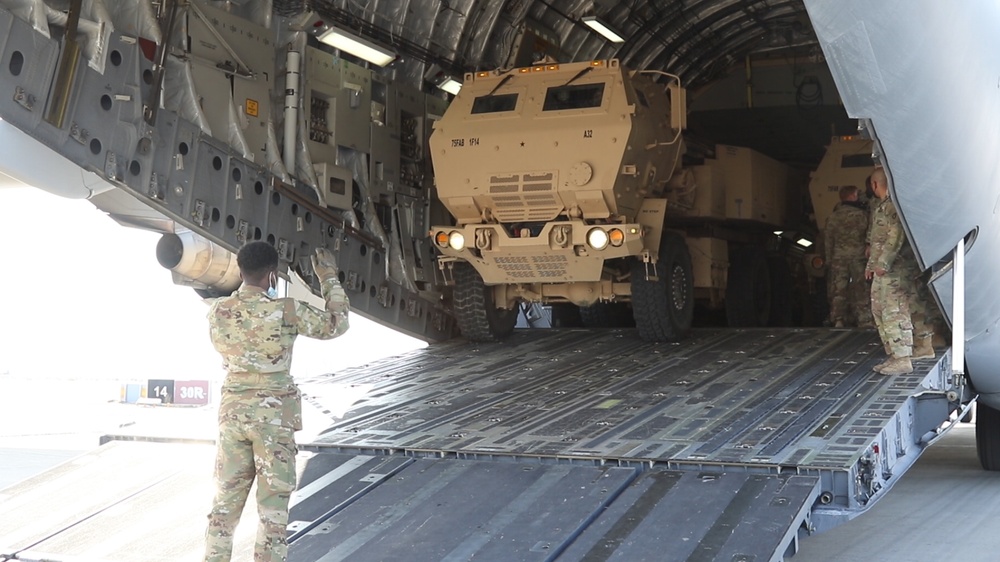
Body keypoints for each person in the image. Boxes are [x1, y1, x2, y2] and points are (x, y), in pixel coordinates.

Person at [203, 242, 350, 562]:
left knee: (224, 508)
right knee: (272, 514)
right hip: (273, 421)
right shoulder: (286, 310)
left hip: (234, 417)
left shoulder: (218, 312)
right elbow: (336, 323)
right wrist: (328, 278)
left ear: (240, 271)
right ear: (272, 276)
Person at [865, 167, 933, 375]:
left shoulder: (892, 206)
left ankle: (901, 358)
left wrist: (883, 263)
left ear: (875, 185)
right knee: (909, 305)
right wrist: (871, 266)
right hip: (894, 267)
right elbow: (878, 241)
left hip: (894, 269)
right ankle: (922, 347)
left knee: (892, 310)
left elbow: (895, 235)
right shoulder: (885, 206)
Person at [824, 185, 871, 327]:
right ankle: (865, 319)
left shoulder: (833, 217)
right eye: (856, 194)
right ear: (851, 196)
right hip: (858, 257)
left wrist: (829, 260)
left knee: (839, 289)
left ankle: (838, 319)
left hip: (839, 258)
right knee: (861, 288)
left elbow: (828, 240)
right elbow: (868, 236)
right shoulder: (862, 215)